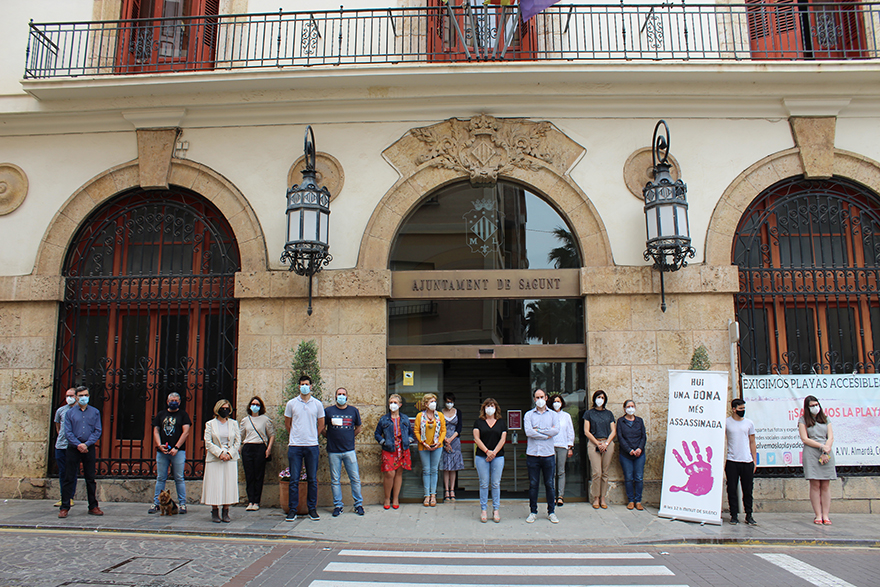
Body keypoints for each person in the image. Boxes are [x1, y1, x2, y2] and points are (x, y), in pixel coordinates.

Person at [284, 374, 325, 522]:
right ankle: (292, 510)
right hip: (295, 446)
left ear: (311, 386)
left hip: (312, 446)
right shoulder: (291, 404)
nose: (304, 386)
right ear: (299, 386)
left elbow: (321, 424)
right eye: (302, 384)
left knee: (312, 479)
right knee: (294, 479)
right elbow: (287, 423)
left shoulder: (317, 404)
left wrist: (313, 435)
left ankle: (312, 509)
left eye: (306, 384)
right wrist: (295, 435)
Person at [59, 386, 103, 518]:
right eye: (81, 395)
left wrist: (87, 444)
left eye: (86, 395)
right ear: (76, 397)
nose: (84, 397)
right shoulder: (70, 413)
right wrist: (78, 444)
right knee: (69, 477)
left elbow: (97, 430)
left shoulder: (94, 412)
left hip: (88, 448)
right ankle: (65, 506)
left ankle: (93, 506)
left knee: (90, 478)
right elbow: (68, 432)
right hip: (74, 448)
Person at [148, 392, 192, 515]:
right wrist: (159, 445)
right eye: (172, 400)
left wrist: (177, 447)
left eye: (176, 400)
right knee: (161, 477)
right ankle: (157, 503)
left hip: (178, 451)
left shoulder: (183, 415)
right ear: (167, 402)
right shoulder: (161, 414)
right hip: (162, 451)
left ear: (179, 402)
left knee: (179, 478)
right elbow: (156, 430)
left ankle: (182, 504)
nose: (174, 402)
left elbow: (186, 432)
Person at [324, 387, 364, 517]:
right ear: (335, 396)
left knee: (355, 478)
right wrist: (328, 436)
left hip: (349, 450)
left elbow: (358, 427)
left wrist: (350, 437)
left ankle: (358, 504)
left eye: (343, 394)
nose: (341, 396)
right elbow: (321, 428)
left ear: (347, 396)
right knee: (335, 480)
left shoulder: (353, 411)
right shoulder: (328, 411)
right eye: (339, 394)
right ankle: (338, 506)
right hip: (333, 451)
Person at [798, 395, 836, 525]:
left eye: (816, 405)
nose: (815, 408)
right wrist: (820, 446)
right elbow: (805, 438)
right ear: (807, 408)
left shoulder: (825, 419)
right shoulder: (803, 420)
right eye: (812, 406)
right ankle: (818, 515)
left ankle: (826, 515)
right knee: (815, 485)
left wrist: (826, 450)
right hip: (812, 452)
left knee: (825, 484)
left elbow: (830, 437)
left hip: (826, 452)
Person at [201, 398, 240, 523]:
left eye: (227, 408)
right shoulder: (210, 424)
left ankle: (226, 511)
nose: (225, 410)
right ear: (218, 409)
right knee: (215, 485)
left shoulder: (234, 424)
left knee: (228, 484)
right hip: (215, 458)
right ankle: (215, 510)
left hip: (230, 458)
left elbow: (237, 441)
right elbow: (208, 442)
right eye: (223, 408)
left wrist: (229, 453)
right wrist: (220, 453)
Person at [524, 388, 559, 524]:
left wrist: (538, 431)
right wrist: (546, 434)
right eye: (537, 397)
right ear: (534, 399)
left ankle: (551, 512)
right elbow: (529, 432)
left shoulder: (553, 415)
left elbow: (556, 430)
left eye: (541, 397)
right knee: (533, 484)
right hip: (532, 454)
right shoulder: (528, 415)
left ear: (546, 397)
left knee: (549, 484)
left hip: (548, 454)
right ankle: (533, 511)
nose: (539, 400)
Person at [375, 393, 413, 509]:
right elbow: (377, 433)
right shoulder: (384, 419)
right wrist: (383, 442)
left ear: (400, 405)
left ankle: (395, 498)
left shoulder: (405, 418)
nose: (393, 405)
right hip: (389, 448)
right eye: (391, 403)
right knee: (389, 473)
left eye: (395, 403)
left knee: (399, 473)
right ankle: (387, 498)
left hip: (402, 449)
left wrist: (408, 440)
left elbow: (411, 433)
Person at [473, 397, 507, 523]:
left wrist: (494, 453)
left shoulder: (501, 422)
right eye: (487, 406)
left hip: (498, 456)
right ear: (483, 408)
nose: (490, 408)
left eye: (492, 406)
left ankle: (496, 509)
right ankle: (483, 509)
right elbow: (477, 438)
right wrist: (487, 451)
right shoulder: (478, 422)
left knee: (496, 483)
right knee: (483, 483)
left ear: (496, 408)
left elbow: (503, 439)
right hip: (482, 456)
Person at [240, 395, 275, 511]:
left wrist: (268, 449)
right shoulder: (245, 420)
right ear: (250, 406)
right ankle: (250, 500)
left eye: (257, 405)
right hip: (248, 447)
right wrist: (239, 447)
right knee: (249, 475)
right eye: (253, 404)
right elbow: (240, 435)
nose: (255, 406)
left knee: (258, 475)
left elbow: (271, 435)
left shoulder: (265, 419)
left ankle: (256, 501)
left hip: (260, 447)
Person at [725, 398, 757, 526]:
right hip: (732, 460)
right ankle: (734, 515)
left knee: (748, 489)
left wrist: (754, 460)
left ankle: (749, 514)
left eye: (744, 409)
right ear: (734, 409)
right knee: (732, 488)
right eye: (740, 409)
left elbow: (752, 441)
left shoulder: (749, 423)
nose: (743, 411)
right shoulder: (727, 422)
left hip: (747, 460)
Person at [583, 389, 616, 509]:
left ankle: (603, 498)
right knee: (597, 472)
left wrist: (606, 443)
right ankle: (596, 497)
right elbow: (586, 431)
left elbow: (613, 430)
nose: (600, 400)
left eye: (602, 397)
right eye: (598, 397)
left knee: (605, 472)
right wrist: (597, 443)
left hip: (607, 443)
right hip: (594, 443)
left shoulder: (609, 414)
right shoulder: (589, 413)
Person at [414, 392, 446, 507]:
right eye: (431, 401)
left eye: (434, 401)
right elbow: (416, 430)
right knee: (426, 470)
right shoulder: (419, 416)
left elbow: (443, 430)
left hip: (437, 446)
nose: (434, 404)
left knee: (434, 470)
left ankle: (433, 495)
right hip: (424, 446)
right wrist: (423, 442)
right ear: (426, 404)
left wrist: (439, 442)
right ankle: (426, 495)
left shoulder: (440, 415)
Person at [617, 399, 646, 510]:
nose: (630, 408)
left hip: (639, 454)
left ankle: (638, 500)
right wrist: (629, 450)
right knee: (628, 477)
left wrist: (639, 448)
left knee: (639, 477)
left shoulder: (639, 421)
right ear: (624, 409)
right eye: (628, 406)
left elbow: (643, 436)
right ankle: (630, 500)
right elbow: (620, 437)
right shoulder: (621, 421)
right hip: (626, 454)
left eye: (632, 406)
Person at [53, 387, 77, 507]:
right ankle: (64, 497)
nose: (69, 398)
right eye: (67, 396)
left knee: (71, 472)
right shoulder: (61, 410)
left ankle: (70, 497)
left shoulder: (80, 411)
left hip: (73, 447)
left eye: (71, 396)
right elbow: (58, 426)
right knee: (63, 472)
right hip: (61, 446)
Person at [549, 393, 574, 507]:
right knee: (552, 472)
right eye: (554, 401)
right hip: (550, 446)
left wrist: (570, 447)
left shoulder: (566, 416)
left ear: (562, 403)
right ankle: (552, 495)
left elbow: (570, 432)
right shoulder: (548, 415)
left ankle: (560, 496)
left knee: (561, 471)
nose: (556, 404)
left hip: (563, 446)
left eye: (558, 401)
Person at [439, 392, 464, 502]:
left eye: (451, 402)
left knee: (453, 467)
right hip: (443, 439)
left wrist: (451, 439)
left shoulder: (458, 412)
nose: (449, 404)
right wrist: (445, 439)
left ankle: (452, 489)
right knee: (445, 467)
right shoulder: (440, 412)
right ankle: (446, 490)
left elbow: (459, 427)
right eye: (448, 402)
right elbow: (439, 426)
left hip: (455, 440)